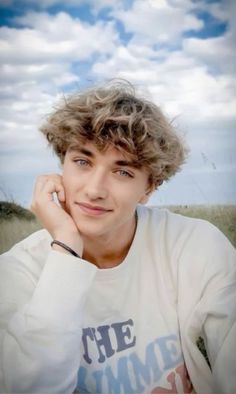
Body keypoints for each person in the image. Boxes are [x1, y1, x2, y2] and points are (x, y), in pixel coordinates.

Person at [0, 80, 235, 394]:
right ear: (62, 166)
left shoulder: (195, 245)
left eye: (122, 171)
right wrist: (66, 249)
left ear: (149, 188)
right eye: (82, 162)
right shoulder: (16, 271)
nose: (95, 190)